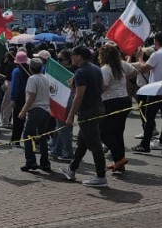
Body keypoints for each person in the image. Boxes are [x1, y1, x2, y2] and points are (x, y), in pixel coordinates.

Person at [60, 46, 109, 188]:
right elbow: (98, 88)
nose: (72, 58)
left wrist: (70, 116)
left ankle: (101, 176)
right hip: (98, 108)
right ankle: (72, 169)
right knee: (82, 142)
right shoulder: (96, 68)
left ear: (80, 56)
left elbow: (79, 95)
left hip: (87, 112)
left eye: (73, 55)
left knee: (95, 144)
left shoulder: (81, 72)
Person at [133, 32, 162, 155]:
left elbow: (144, 68)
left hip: (156, 90)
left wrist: (140, 58)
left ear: (157, 41)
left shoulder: (157, 54)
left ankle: (145, 144)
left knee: (149, 118)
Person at [99, 44, 137, 173]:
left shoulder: (105, 69)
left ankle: (118, 158)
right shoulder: (122, 65)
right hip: (125, 100)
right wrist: (124, 78)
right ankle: (119, 162)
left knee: (103, 131)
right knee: (117, 132)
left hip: (110, 102)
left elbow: (103, 87)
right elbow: (135, 72)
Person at [18, 58, 52, 172]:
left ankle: (31, 161)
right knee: (43, 137)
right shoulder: (45, 78)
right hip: (46, 110)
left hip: (36, 109)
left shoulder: (32, 79)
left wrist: (23, 111)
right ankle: (45, 162)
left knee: (27, 135)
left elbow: (31, 97)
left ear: (31, 68)